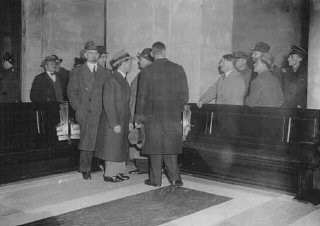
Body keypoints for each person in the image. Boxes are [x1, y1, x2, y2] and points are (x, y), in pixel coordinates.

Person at [135, 42, 189, 187]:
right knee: (171, 149)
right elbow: (184, 97)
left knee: (155, 149)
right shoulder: (178, 69)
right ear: (165, 52)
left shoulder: (146, 71)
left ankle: (155, 180)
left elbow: (141, 98)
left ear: (152, 54)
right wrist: (173, 109)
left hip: (152, 117)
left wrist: (138, 119)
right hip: (172, 117)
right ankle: (175, 179)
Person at [67, 41, 108, 180]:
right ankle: (85, 168)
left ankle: (100, 165)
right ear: (85, 55)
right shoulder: (78, 71)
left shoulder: (104, 71)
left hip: (101, 111)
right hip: (86, 111)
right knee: (87, 141)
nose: (94, 55)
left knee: (101, 140)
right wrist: (79, 108)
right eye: (90, 53)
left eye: (96, 53)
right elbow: (72, 92)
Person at [95, 50, 133, 182]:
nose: (131, 65)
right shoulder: (112, 79)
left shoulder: (123, 79)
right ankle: (110, 174)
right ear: (122, 63)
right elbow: (109, 103)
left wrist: (130, 121)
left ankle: (119, 172)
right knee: (112, 147)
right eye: (129, 62)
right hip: (114, 121)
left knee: (120, 146)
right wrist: (114, 123)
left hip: (123, 119)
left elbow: (127, 104)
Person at [128, 48, 154, 175]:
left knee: (143, 139)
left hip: (142, 115)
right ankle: (142, 166)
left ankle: (144, 166)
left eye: (141, 59)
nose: (138, 62)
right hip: (137, 112)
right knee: (140, 139)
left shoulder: (148, 74)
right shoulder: (143, 73)